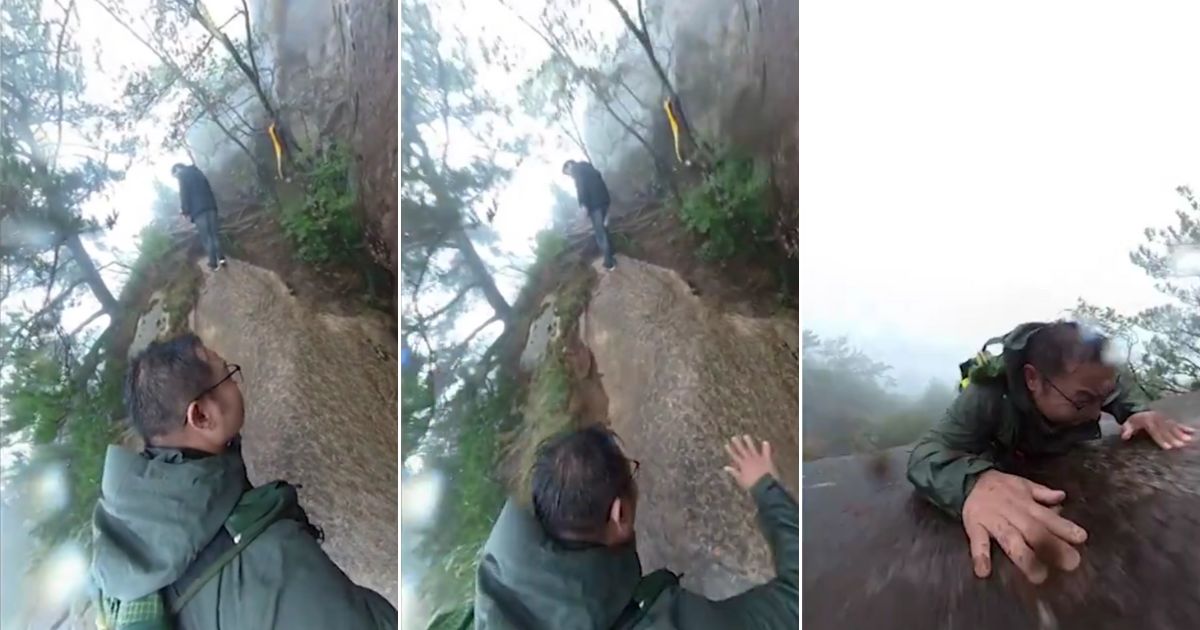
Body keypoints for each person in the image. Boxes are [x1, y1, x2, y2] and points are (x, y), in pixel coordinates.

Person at [90, 333, 397, 629]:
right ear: (202, 417)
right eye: (228, 376)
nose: (237, 384)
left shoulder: (120, 540)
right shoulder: (274, 562)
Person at [907, 320, 1194, 585]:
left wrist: (1140, 412)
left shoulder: (1085, 380)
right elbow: (927, 453)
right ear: (1033, 379)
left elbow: (1116, 389)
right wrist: (971, 482)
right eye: (1082, 401)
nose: (1097, 413)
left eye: (1101, 399)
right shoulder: (986, 394)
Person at [473, 426, 798, 629]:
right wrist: (765, 487)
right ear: (620, 514)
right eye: (633, 473)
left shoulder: (493, 601)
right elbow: (798, 600)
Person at [563, 159, 617, 270]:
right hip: (604, 201)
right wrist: (607, 202)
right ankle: (612, 254)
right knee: (604, 230)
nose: (570, 175)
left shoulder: (576, 169)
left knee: (600, 234)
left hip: (595, 205)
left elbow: (581, 187)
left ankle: (609, 263)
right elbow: (600, 182)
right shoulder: (589, 168)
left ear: (569, 165)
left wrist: (584, 204)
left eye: (567, 172)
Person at [172, 163, 226, 271]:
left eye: (175, 175)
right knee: (214, 235)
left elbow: (184, 194)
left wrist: (184, 210)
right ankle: (221, 258)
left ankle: (213, 263)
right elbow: (208, 187)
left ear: (177, 170)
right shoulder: (197, 172)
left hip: (198, 211)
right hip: (211, 206)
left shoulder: (183, 175)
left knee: (207, 238)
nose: (176, 177)